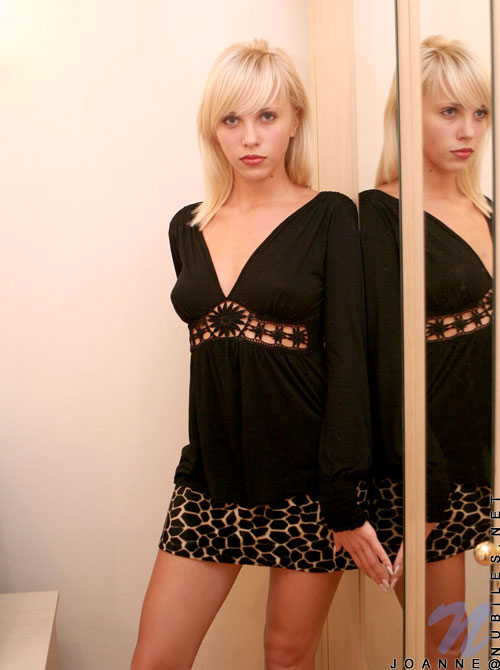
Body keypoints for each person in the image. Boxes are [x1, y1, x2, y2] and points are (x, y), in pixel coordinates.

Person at [131, 39, 391, 670]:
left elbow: (350, 364)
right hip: (211, 478)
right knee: (155, 659)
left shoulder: (332, 217)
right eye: (232, 119)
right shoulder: (187, 227)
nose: (250, 137)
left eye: (267, 116)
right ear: (212, 129)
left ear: (295, 120)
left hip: (308, 487)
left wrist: (343, 499)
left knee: (286, 656)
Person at [360, 35, 492, 664]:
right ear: (407, 115)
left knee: (455, 646)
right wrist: (425, 491)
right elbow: (385, 365)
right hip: (421, 464)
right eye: (448, 111)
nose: (468, 130)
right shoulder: (378, 215)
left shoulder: (486, 209)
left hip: (483, 451)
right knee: (446, 645)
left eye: (480, 112)